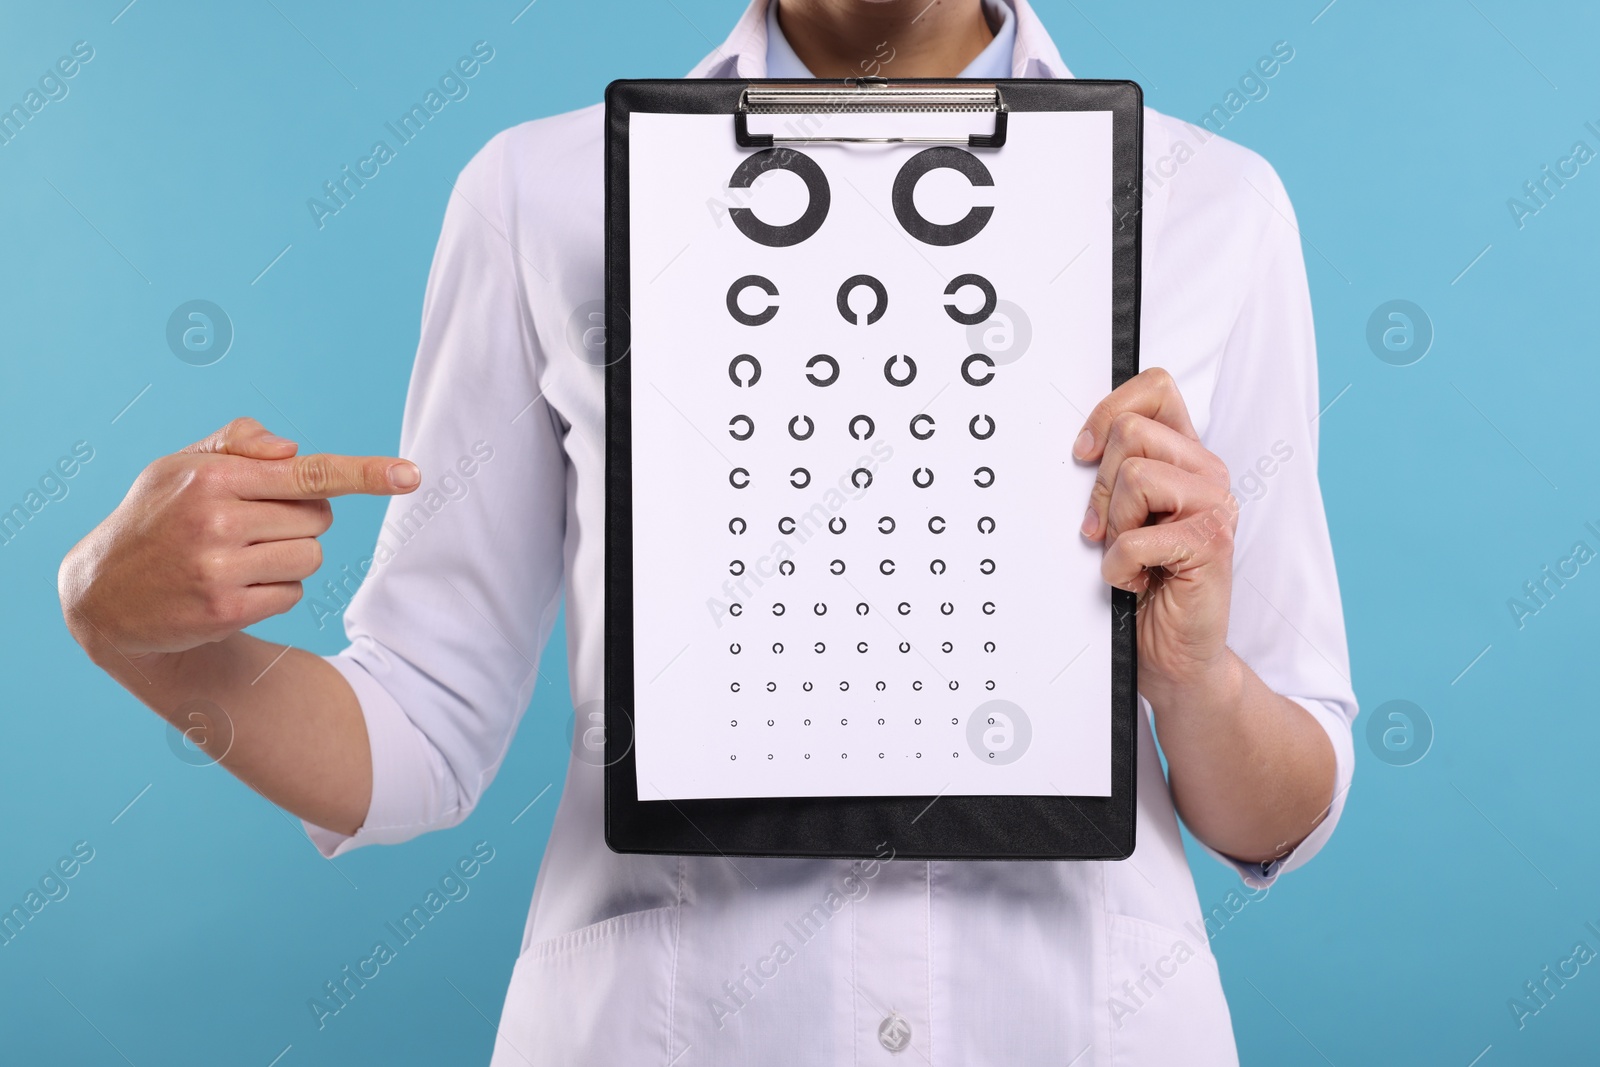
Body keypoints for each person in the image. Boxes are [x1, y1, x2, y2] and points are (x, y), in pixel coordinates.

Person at [56, 0, 1356, 1062]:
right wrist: (147, 643)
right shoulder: (542, 195)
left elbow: (1277, 804)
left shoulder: (1214, 205)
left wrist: (1191, 678)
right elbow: (419, 727)